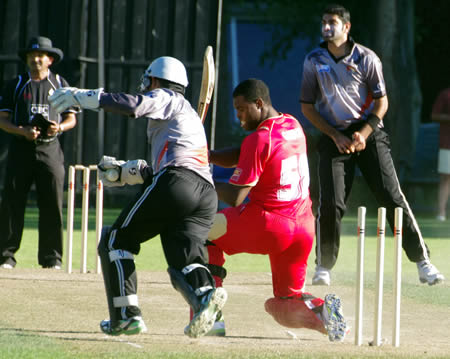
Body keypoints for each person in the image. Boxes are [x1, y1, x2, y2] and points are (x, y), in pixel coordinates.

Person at [48, 56, 227, 338]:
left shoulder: (168, 97)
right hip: (205, 194)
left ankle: (125, 316)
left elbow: (134, 106)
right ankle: (206, 296)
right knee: (185, 257)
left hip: (178, 181)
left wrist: (83, 97)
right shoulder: (187, 115)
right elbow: (162, 166)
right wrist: (125, 171)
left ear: (155, 80)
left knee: (116, 240)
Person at [299, 4, 445, 286]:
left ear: (346, 26)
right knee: (331, 202)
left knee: (391, 196)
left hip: (368, 132)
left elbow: (382, 103)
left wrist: (363, 133)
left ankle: (423, 262)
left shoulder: (367, 58)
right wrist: (335, 135)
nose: (327, 27)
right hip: (333, 135)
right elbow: (307, 107)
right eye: (324, 22)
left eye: (333, 22)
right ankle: (323, 267)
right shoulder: (313, 60)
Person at [205, 78, 348, 342]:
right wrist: (210, 156)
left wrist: (203, 181)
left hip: (269, 224)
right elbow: (246, 153)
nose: (239, 117)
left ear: (258, 103)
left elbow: (236, 197)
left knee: (202, 234)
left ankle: (209, 315)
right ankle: (324, 313)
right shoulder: (292, 124)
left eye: (242, 109)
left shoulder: (259, 139)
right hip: (303, 229)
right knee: (281, 306)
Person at [0, 36, 77, 270]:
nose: (36, 60)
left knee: (52, 203)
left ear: (50, 60)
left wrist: (58, 127)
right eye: (32, 56)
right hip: (21, 148)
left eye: (40, 56)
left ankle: (52, 259)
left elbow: (71, 119)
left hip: (50, 149)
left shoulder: (60, 85)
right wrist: (21, 130)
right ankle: (6, 256)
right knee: (12, 203)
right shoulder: (15, 84)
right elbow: (2, 120)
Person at [431, 87, 450, 222]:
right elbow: (434, 115)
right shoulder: (445, 94)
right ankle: (441, 212)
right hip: (447, 143)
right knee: (446, 178)